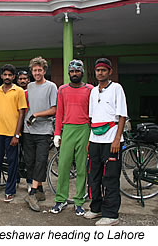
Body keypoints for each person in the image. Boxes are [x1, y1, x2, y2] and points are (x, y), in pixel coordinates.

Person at [83, 58, 127, 226]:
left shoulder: (116, 88)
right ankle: (96, 208)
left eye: (103, 70)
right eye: (97, 70)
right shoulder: (93, 91)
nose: (100, 73)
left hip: (112, 140)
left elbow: (122, 115)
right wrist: (89, 139)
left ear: (109, 72)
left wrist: (117, 139)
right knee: (93, 176)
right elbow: (92, 118)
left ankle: (111, 214)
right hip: (95, 139)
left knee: (110, 177)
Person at [50, 59, 93, 215]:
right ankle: (60, 200)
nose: (74, 74)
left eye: (77, 71)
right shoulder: (62, 89)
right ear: (69, 73)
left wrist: (92, 135)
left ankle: (79, 201)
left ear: (82, 72)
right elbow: (59, 113)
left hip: (84, 129)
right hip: (67, 129)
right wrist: (57, 133)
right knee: (63, 166)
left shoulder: (90, 89)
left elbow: (93, 114)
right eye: (72, 71)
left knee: (82, 167)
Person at [0, 64, 27, 202]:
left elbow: (21, 114)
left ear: (13, 77)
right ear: (1, 76)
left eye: (10, 75)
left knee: (12, 163)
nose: (7, 77)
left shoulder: (19, 91)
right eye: (5, 75)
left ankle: (10, 191)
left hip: (11, 134)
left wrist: (16, 134)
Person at [23, 57, 57, 212]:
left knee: (41, 160)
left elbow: (54, 109)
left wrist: (36, 115)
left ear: (44, 71)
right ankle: (40, 190)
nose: (37, 73)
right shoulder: (29, 86)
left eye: (39, 70)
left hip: (44, 130)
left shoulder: (51, 86)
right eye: (34, 70)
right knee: (30, 161)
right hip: (28, 129)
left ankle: (32, 192)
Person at [16, 70, 32, 192]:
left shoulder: (32, 92)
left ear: (28, 80)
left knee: (29, 156)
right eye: (20, 78)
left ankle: (30, 181)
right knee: (15, 155)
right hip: (16, 126)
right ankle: (15, 180)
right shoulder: (15, 91)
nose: (22, 80)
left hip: (28, 128)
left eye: (24, 78)